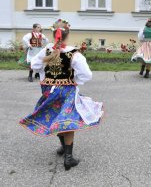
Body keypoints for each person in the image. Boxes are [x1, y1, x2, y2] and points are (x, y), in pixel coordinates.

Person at [19, 19, 104, 171]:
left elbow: (34, 65)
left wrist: (46, 75)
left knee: (55, 116)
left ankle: (64, 148)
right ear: (67, 34)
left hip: (48, 90)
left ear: (53, 34)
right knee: (67, 120)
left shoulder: (46, 50)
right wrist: (75, 80)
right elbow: (86, 74)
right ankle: (68, 156)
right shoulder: (74, 53)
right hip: (67, 91)